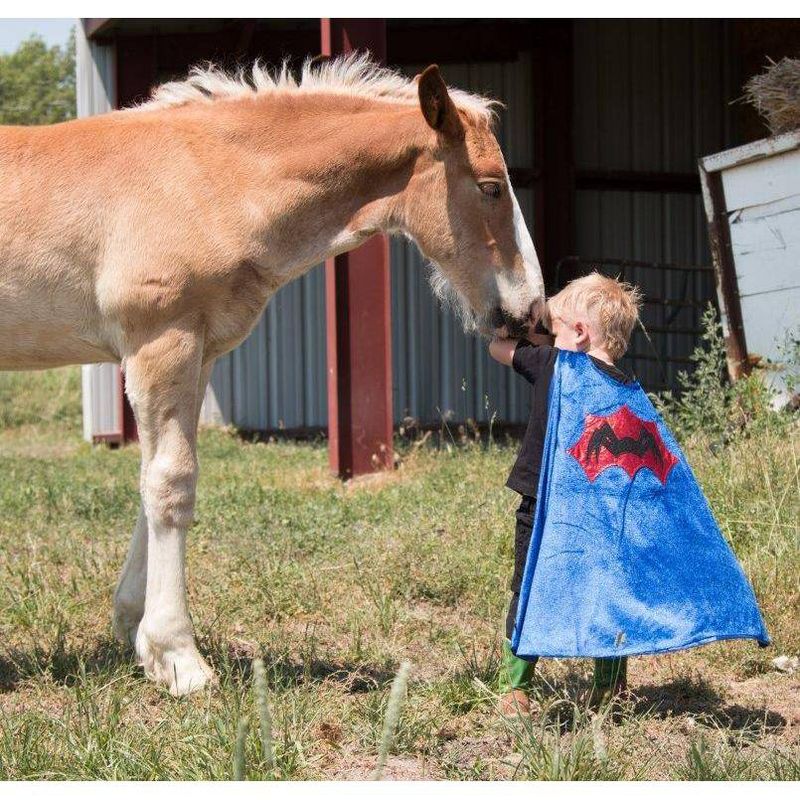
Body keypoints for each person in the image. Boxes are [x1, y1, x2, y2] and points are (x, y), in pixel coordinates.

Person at [488, 273, 642, 715]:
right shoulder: (627, 389)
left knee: (530, 585)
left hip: (539, 502)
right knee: (606, 589)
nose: (547, 334)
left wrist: (521, 327)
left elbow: (497, 348)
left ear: (578, 333)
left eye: (554, 327)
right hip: (604, 510)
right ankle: (611, 690)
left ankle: (516, 690)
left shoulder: (552, 364)